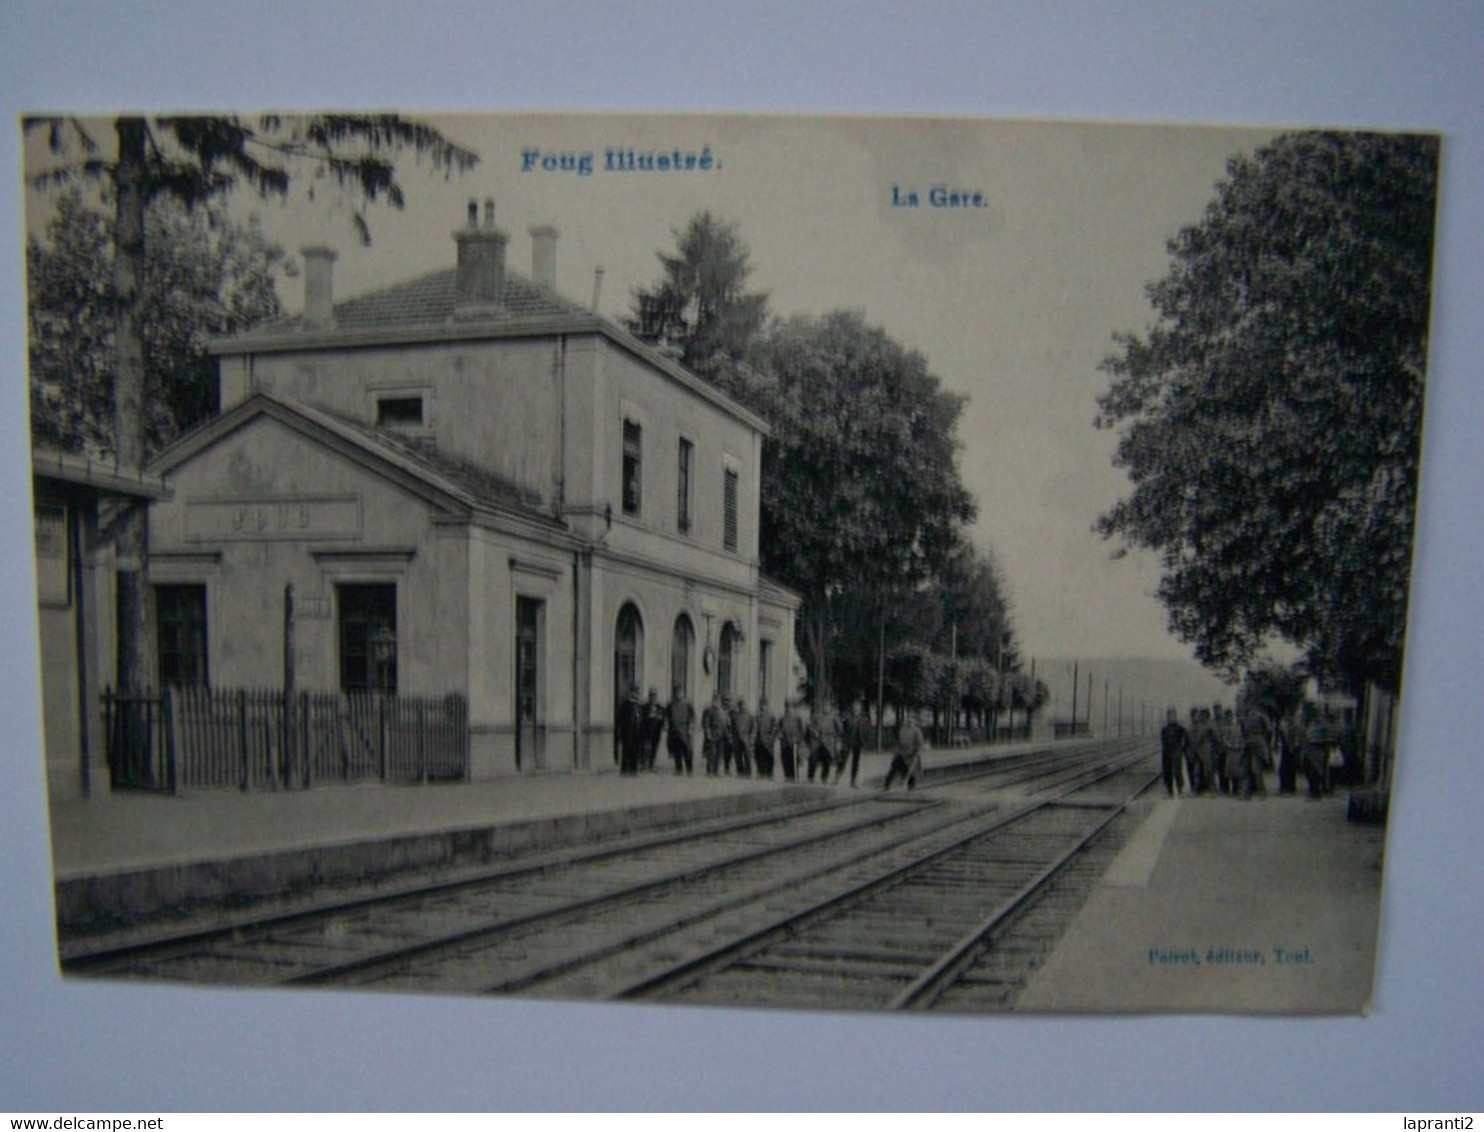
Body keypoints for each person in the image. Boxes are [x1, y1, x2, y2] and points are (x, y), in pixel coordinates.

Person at [884, 710, 925, 790]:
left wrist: (916, 752)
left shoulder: (916, 731)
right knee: (893, 768)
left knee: (908, 771)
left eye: (911, 719)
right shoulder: (903, 729)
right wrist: (896, 751)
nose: (909, 721)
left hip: (910, 754)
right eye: (907, 719)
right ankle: (886, 785)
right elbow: (899, 740)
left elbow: (920, 743)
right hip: (901, 752)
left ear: (914, 721)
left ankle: (911, 785)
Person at [1158, 707, 1188, 797]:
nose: (1171, 718)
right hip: (1166, 753)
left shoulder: (1180, 728)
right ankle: (1169, 791)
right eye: (1169, 716)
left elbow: (1185, 739)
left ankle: (1180, 790)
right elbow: (1163, 741)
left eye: (1172, 715)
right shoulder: (1164, 729)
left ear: (1175, 716)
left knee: (1177, 771)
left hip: (1176, 752)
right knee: (1167, 772)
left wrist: (1181, 749)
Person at [666, 684, 695, 775]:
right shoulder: (671, 704)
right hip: (674, 731)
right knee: (676, 751)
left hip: (685, 731)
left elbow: (692, 717)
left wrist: (690, 729)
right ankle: (678, 769)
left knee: (688, 751)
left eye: (680, 692)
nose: (678, 694)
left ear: (683, 693)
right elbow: (667, 717)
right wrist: (667, 726)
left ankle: (689, 770)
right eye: (676, 692)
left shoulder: (688, 704)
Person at [618, 683, 646, 776]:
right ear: (631, 693)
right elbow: (621, 719)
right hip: (628, 731)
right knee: (627, 750)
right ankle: (625, 770)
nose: (637, 694)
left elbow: (641, 718)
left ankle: (633, 770)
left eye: (638, 692)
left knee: (635, 751)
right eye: (635, 692)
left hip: (637, 731)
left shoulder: (638, 705)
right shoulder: (626, 704)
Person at [837, 702, 866, 787]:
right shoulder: (848, 717)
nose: (856, 709)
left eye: (858, 708)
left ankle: (853, 781)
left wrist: (864, 740)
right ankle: (837, 777)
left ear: (860, 709)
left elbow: (866, 730)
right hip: (847, 741)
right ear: (852, 709)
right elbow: (840, 727)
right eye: (854, 708)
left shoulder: (863, 719)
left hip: (858, 742)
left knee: (855, 762)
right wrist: (841, 739)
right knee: (843, 760)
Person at [806, 703, 836, 783]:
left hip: (827, 741)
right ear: (822, 707)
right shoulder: (817, 716)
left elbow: (838, 729)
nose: (826, 708)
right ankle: (810, 777)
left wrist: (833, 737)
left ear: (830, 708)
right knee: (812, 758)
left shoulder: (833, 718)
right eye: (825, 706)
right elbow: (810, 726)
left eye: (828, 707)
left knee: (826, 760)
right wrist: (814, 731)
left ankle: (824, 777)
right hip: (817, 741)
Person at [702, 692, 727, 777]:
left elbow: (725, 723)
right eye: (715, 701)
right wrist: (708, 733)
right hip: (713, 734)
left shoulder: (723, 711)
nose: (717, 703)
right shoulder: (710, 711)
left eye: (718, 701)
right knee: (711, 753)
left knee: (719, 754)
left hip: (721, 735)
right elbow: (706, 723)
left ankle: (716, 771)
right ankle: (709, 771)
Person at [641, 687, 666, 772]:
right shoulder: (644, 707)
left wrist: (661, 721)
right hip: (646, 731)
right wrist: (648, 717)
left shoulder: (661, 708)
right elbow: (641, 718)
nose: (653, 698)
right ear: (649, 697)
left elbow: (664, 720)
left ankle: (651, 765)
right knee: (645, 748)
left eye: (654, 696)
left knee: (654, 748)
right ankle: (644, 765)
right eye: (651, 696)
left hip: (656, 732)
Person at [730, 697, 756, 778]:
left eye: (743, 705)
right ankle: (740, 772)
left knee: (747, 756)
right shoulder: (735, 717)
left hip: (746, 739)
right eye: (740, 705)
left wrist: (752, 737)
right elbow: (732, 728)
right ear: (738, 706)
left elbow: (754, 728)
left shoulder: (750, 716)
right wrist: (732, 738)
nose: (742, 707)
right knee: (738, 757)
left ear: (745, 705)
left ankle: (748, 773)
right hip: (737, 739)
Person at [779, 699, 804, 781]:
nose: (788, 709)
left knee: (794, 760)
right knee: (785, 759)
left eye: (790, 708)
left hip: (794, 742)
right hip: (784, 742)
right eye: (786, 708)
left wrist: (797, 738)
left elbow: (802, 730)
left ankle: (794, 777)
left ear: (793, 708)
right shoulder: (782, 718)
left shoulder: (797, 718)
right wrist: (780, 734)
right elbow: (779, 729)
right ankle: (787, 776)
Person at [754, 697, 777, 779]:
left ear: (767, 706)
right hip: (759, 740)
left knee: (769, 757)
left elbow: (774, 728)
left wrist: (771, 738)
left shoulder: (772, 716)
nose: (762, 707)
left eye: (764, 705)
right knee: (759, 757)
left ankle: (769, 773)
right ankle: (761, 773)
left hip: (768, 740)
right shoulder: (757, 716)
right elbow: (755, 728)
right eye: (761, 705)